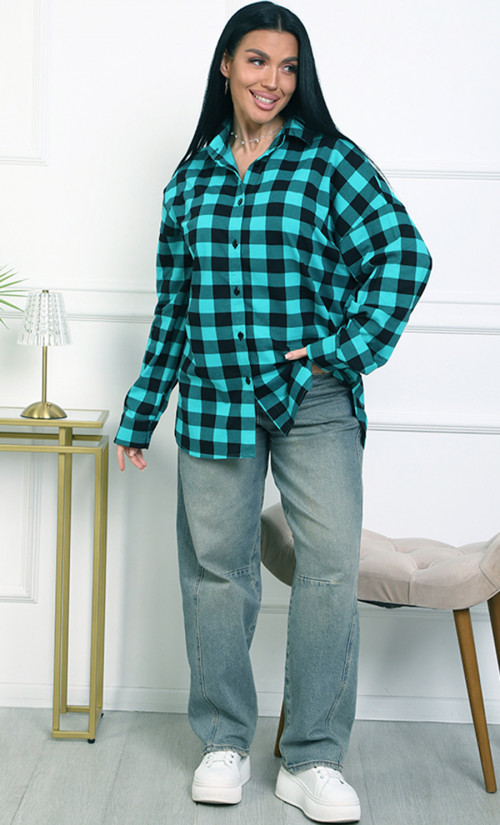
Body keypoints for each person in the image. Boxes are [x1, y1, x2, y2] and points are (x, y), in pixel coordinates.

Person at [115, 2, 432, 821]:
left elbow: (404, 254)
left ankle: (312, 757)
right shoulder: (191, 181)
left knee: (328, 569)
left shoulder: (330, 162)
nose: (274, 81)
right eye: (258, 61)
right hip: (215, 397)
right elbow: (174, 308)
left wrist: (339, 347)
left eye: (289, 67)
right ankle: (223, 740)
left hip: (315, 401)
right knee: (218, 572)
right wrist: (141, 411)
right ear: (227, 64)